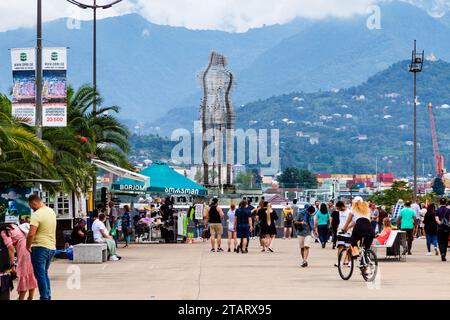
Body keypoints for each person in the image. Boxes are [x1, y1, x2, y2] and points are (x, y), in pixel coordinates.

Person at [26, 194, 56, 301]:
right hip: (51, 247)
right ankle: (48, 296)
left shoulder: (36, 215)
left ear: (33, 202)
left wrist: (27, 245)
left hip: (39, 247)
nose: (31, 208)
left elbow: (31, 234)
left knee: (40, 275)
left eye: (30, 205)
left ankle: (44, 297)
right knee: (44, 273)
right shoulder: (51, 211)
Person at [0, 223, 37, 300]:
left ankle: (21, 298)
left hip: (23, 249)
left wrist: (12, 265)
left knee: (23, 274)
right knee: (30, 274)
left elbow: (10, 248)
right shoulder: (12, 226)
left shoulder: (3, 232)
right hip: (30, 246)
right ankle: (30, 297)